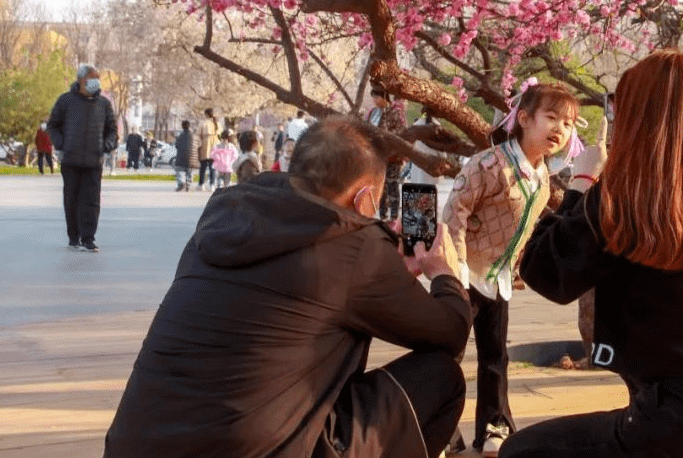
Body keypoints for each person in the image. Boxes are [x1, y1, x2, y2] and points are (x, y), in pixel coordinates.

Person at [103, 117, 471, 458]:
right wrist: (443, 275)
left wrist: (387, 270)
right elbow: (450, 333)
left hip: (133, 444)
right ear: (363, 200)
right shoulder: (357, 248)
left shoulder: (224, 215)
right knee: (442, 375)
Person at [499, 51, 683, 458]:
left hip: (682, 421)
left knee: (523, 451)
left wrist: (581, 183)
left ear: (637, 115)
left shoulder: (625, 199)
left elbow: (546, 272)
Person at [443, 82, 581, 457]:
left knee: (495, 358)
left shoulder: (542, 175)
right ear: (523, 119)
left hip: (498, 281)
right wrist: (451, 272)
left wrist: (516, 265)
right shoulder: (488, 164)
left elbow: (528, 227)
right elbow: (453, 215)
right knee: (447, 356)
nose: (560, 129)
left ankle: (493, 425)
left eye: (568, 124)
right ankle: (437, 428)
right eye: (551, 118)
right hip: (464, 275)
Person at [46, 63, 118, 252]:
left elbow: (112, 129)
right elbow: (52, 125)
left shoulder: (103, 104)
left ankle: (88, 238)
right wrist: (61, 144)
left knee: (92, 201)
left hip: (94, 161)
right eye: (92, 78)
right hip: (70, 160)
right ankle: (74, 236)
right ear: (81, 79)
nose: (96, 82)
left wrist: (106, 145)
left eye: (97, 78)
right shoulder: (65, 100)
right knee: (71, 199)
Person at [367, 86, 407, 220]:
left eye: (376, 97)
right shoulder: (373, 112)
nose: (374, 100)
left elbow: (402, 133)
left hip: (392, 157)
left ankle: (395, 216)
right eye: (373, 97)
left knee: (392, 185)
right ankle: (383, 215)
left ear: (384, 97)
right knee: (380, 187)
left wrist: (385, 136)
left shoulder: (395, 112)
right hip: (377, 157)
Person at [197, 108, 220, 191]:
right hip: (215, 146)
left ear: (206, 114)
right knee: (212, 167)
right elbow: (220, 136)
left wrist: (199, 146)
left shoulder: (203, 123)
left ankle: (201, 184)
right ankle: (212, 184)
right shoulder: (217, 124)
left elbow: (198, 135)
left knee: (203, 167)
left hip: (205, 146)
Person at [173, 121, 195, 192]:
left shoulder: (180, 135)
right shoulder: (193, 135)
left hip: (181, 157)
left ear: (182, 126)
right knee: (189, 171)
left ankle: (181, 183)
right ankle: (188, 183)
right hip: (191, 157)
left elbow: (176, 145)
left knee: (178, 170)